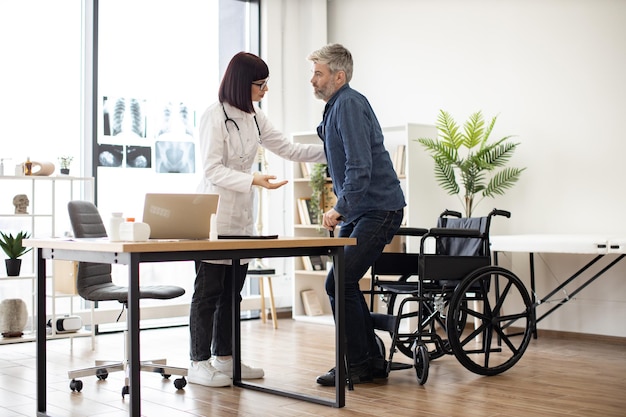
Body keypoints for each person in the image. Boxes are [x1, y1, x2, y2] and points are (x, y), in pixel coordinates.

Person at [189, 52, 326, 387]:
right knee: (208, 293)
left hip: (241, 221)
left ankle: (226, 358)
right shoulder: (214, 116)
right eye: (260, 84)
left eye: (266, 84)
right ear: (242, 83)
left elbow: (289, 149)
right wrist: (254, 179)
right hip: (214, 218)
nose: (265, 90)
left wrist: (332, 147)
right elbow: (212, 169)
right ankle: (198, 362)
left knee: (231, 294)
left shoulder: (253, 116)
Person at [307, 44, 406, 386]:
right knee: (341, 282)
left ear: (339, 75)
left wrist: (338, 209)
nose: (312, 80)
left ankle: (360, 362)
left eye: (318, 73)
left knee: (339, 281)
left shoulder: (348, 103)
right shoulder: (336, 107)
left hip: (378, 207)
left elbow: (359, 167)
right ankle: (369, 360)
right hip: (365, 209)